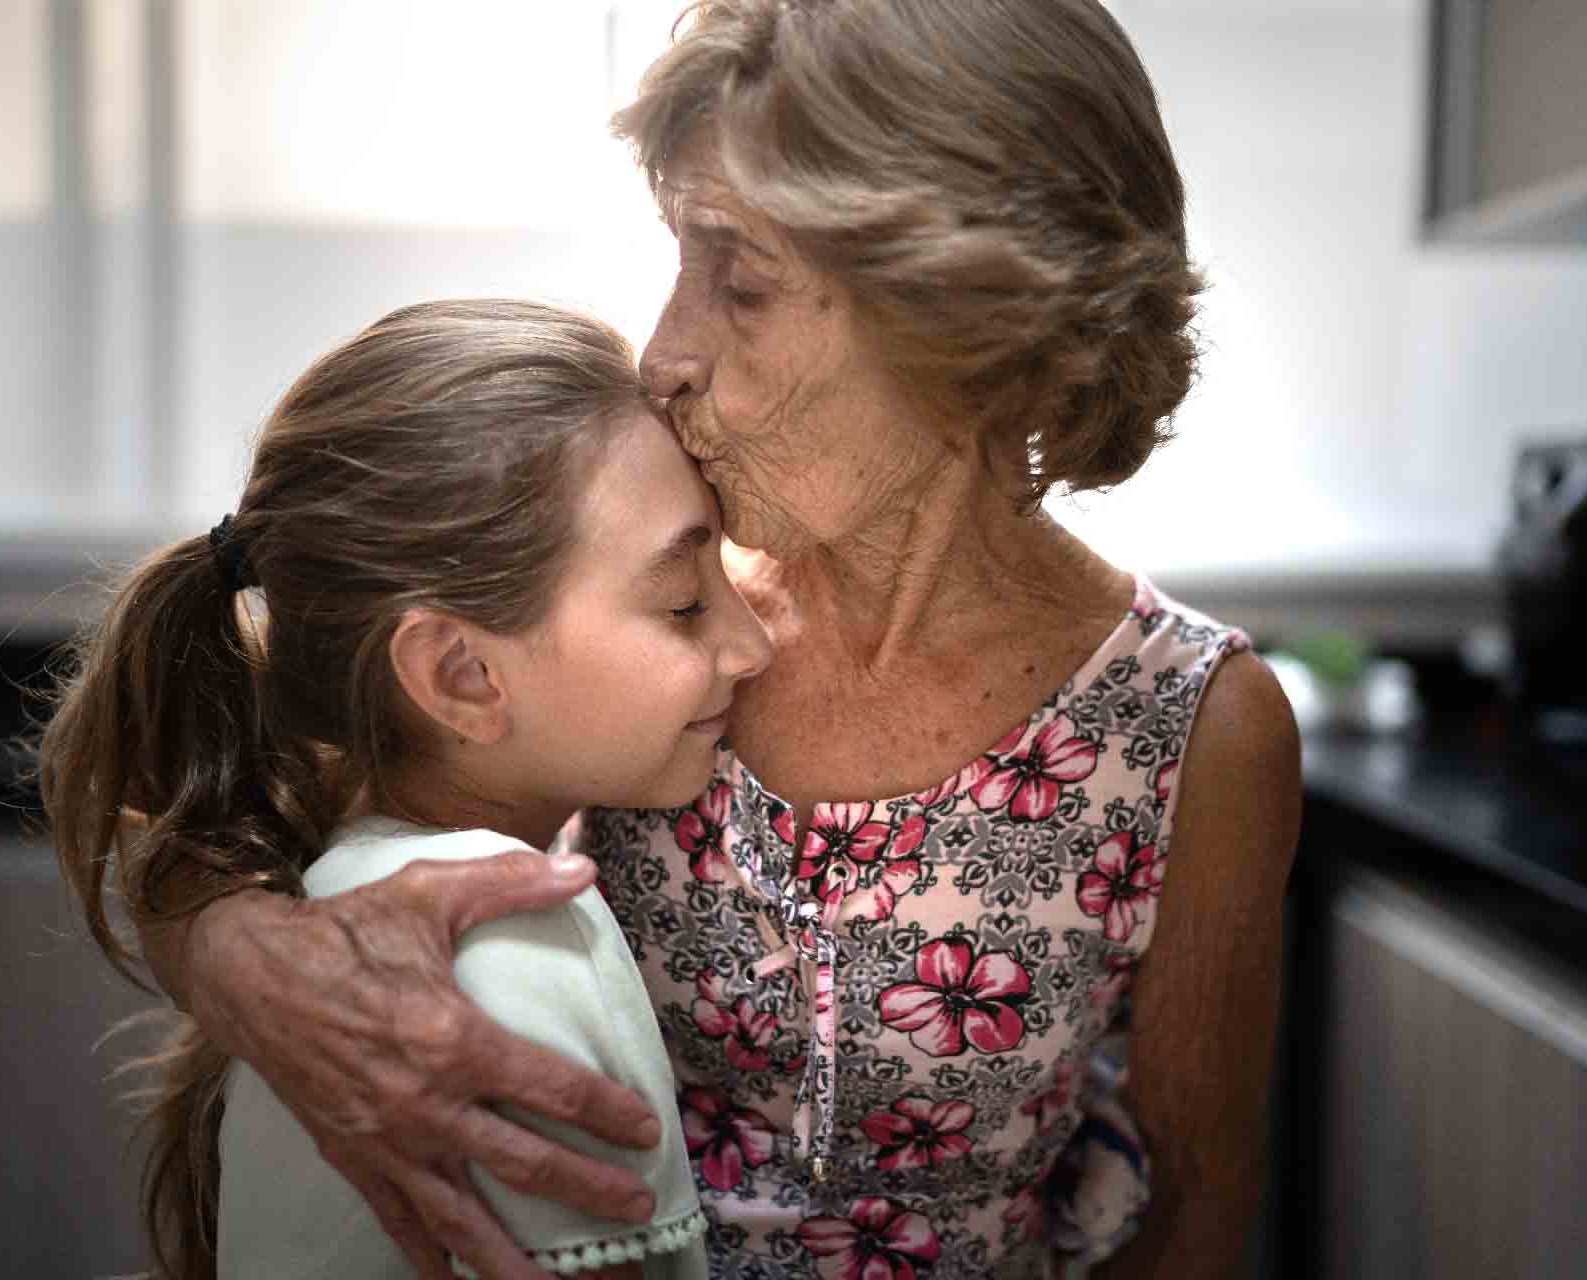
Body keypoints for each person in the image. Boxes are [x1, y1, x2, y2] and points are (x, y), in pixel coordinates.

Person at [123, 2, 1301, 1278]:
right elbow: (255, 823)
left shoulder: (1193, 727)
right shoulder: (638, 610)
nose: (663, 352)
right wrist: (239, 956)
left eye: (737, 278)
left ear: (967, 315)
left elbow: (1192, 1203)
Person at [33, 299, 777, 1278]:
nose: (751, 641)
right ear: (460, 676)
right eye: (683, 602)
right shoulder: (504, 937)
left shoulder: (346, 882)